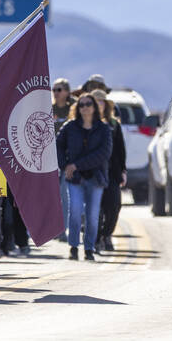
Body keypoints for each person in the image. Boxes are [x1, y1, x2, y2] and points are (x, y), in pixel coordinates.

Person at [56, 91, 112, 260]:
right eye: (81, 105)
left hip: (96, 178)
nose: (85, 108)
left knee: (92, 216)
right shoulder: (70, 127)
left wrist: (76, 165)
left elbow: (104, 153)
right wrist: (65, 166)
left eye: (88, 104)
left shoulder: (103, 129)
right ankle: (73, 247)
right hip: (75, 178)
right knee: (74, 212)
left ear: (94, 107)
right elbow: (58, 145)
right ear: (77, 108)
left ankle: (89, 248)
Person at [92, 89, 126, 253]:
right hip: (92, 172)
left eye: (101, 101)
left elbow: (120, 150)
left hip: (112, 172)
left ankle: (107, 234)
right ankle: (96, 239)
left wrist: (123, 171)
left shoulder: (113, 124)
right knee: (95, 209)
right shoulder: (85, 123)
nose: (98, 104)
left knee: (114, 205)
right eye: (95, 101)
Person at [51, 78, 75, 241]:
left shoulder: (72, 109)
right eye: (54, 90)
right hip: (51, 158)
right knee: (53, 196)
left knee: (64, 195)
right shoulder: (49, 109)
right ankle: (53, 228)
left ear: (67, 91)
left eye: (59, 90)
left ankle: (63, 230)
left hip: (67, 158)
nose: (56, 93)